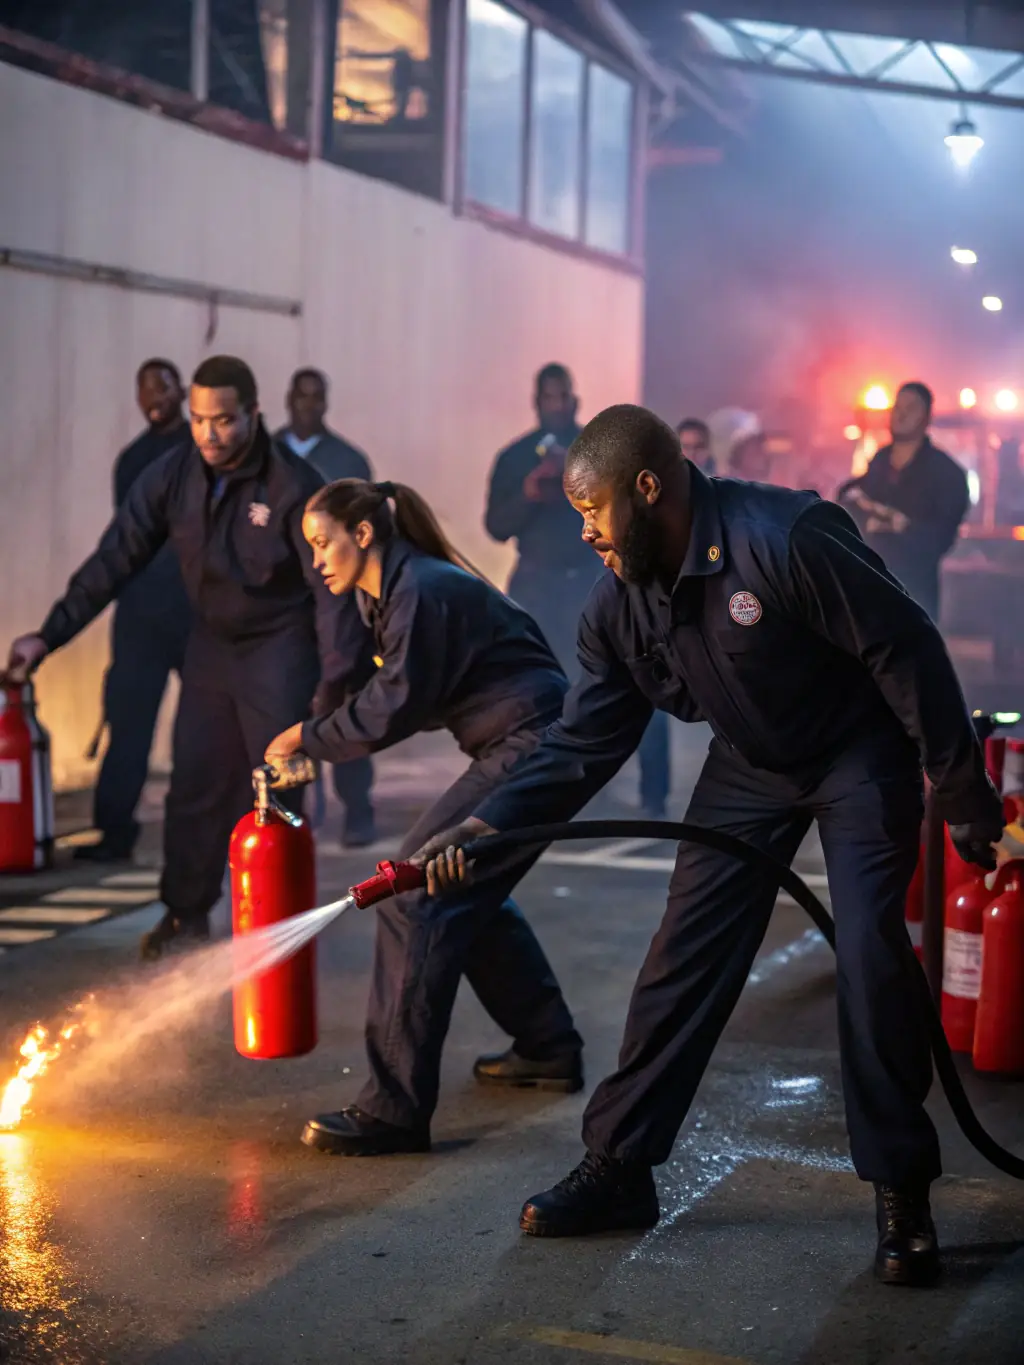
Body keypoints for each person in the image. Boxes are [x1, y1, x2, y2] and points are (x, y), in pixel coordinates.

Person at [417, 404, 1003, 1286]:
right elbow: (582, 744)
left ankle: (901, 1189)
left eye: (595, 512)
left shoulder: (787, 534)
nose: (585, 535)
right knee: (681, 953)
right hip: (750, 765)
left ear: (648, 489)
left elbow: (905, 645)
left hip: (858, 751)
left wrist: (960, 790)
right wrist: (488, 820)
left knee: (870, 958)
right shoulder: (618, 605)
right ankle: (620, 1167)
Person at [5, 355, 371, 957]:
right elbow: (115, 557)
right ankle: (185, 915)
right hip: (211, 647)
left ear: (253, 415)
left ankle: (278, 936)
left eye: (223, 420)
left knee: (276, 790)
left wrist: (329, 691)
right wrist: (49, 635)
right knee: (194, 786)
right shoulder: (171, 473)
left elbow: (329, 597)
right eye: (200, 420)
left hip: (279, 649)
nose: (209, 433)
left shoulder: (294, 487)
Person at [264, 478, 582, 1156]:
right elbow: (380, 689)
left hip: (532, 743)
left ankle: (393, 1110)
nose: (317, 559)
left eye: (324, 543)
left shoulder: (422, 588)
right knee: (463, 886)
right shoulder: (390, 592)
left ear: (365, 533)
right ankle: (548, 1045)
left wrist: (306, 736)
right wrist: (318, 732)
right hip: (522, 739)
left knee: (412, 893)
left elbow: (393, 703)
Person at [486, 364, 668, 817]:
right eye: (547, 397)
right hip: (537, 582)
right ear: (536, 401)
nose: (555, 404)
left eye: (562, 396)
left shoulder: (596, 451)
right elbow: (495, 525)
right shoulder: (515, 457)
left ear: (574, 400)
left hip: (592, 578)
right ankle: (539, 786)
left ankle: (650, 793)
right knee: (536, 686)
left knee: (615, 677)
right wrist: (529, 492)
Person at [76, 359, 192, 862]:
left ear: (181, 392)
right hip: (141, 613)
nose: (153, 399)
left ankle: (196, 828)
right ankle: (115, 830)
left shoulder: (199, 450)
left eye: (162, 388)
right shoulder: (133, 459)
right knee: (128, 722)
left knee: (202, 728)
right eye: (144, 389)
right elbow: (126, 538)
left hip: (194, 612)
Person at [275, 367, 376, 847]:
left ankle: (357, 808)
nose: (308, 406)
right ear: (289, 400)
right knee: (292, 707)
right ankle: (292, 811)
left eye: (317, 397)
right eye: (302, 397)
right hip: (289, 607)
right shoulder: (269, 457)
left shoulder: (347, 459)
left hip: (339, 601)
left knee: (347, 702)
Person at [837, 382, 968, 623]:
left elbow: (940, 539)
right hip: (865, 594)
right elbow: (847, 501)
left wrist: (899, 525)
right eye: (897, 406)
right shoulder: (878, 463)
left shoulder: (947, 474)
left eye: (911, 407)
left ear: (927, 418)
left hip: (913, 599)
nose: (901, 413)